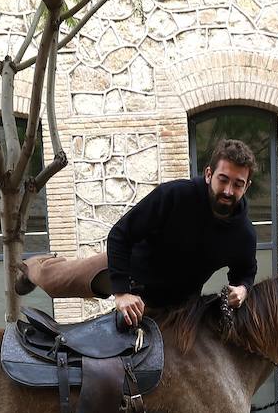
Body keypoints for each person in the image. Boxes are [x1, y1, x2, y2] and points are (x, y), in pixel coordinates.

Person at [17, 138, 259, 323]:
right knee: (58, 281)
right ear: (209, 174)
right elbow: (120, 234)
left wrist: (243, 288)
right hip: (129, 273)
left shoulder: (243, 234)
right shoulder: (174, 195)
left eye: (237, 184)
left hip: (177, 304)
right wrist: (121, 293)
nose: (228, 190)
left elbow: (245, 270)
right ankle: (35, 267)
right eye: (223, 179)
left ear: (246, 186)